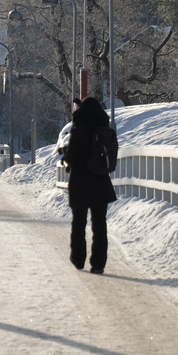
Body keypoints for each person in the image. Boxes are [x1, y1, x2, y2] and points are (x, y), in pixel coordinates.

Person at [63, 96, 116, 274]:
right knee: (99, 224)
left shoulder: (78, 130)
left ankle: (78, 259)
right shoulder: (103, 129)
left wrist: (66, 157)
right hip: (100, 181)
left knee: (79, 222)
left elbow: (71, 157)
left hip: (80, 183)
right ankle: (98, 263)